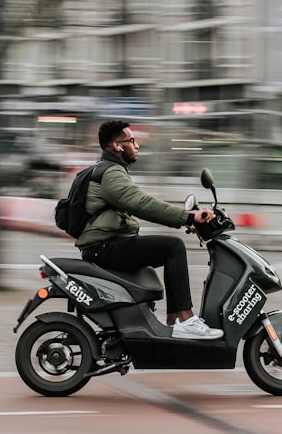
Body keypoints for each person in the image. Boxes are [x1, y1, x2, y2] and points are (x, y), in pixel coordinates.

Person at [76, 119, 223, 340]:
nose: (137, 146)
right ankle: (186, 320)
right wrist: (188, 217)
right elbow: (142, 204)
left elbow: (139, 202)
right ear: (117, 146)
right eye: (132, 141)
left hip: (105, 244)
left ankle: (173, 320)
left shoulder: (108, 170)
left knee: (166, 248)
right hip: (103, 246)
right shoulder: (111, 173)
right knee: (172, 246)